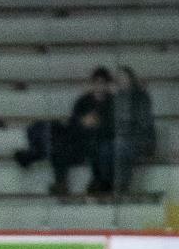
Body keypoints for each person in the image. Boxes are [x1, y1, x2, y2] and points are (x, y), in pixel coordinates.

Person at [14, 66, 116, 196]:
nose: (99, 87)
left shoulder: (113, 103)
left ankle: (33, 156)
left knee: (65, 144)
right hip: (79, 141)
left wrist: (96, 124)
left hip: (97, 143)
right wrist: (82, 122)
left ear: (107, 85)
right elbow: (73, 124)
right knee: (57, 141)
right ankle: (60, 183)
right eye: (97, 83)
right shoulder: (83, 101)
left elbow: (114, 128)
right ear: (93, 84)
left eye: (103, 83)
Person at [106, 65, 156, 195]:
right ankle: (104, 186)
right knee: (105, 148)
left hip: (141, 139)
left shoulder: (141, 97)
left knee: (122, 147)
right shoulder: (114, 98)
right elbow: (108, 123)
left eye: (124, 77)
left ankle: (121, 187)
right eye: (119, 78)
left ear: (131, 79)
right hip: (120, 139)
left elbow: (143, 123)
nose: (121, 80)